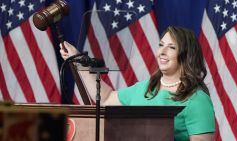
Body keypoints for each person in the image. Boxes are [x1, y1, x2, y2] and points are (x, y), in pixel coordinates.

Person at [60, 26, 215, 141]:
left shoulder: (197, 99)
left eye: (171, 47)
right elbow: (105, 98)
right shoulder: (145, 88)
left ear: (187, 55)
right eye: (161, 45)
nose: (162, 52)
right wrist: (78, 62)